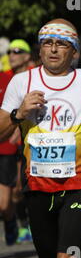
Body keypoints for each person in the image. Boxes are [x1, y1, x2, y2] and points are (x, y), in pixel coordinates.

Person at [0, 19, 81, 258]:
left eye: (62, 44)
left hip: (79, 185)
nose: (54, 49)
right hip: (37, 186)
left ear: (73, 51)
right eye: (48, 43)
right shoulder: (21, 83)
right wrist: (19, 113)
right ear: (40, 50)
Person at [0, 39, 32, 245]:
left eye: (17, 51)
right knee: (5, 200)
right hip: (6, 145)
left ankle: (25, 223)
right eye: (10, 51)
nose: (12, 55)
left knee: (19, 191)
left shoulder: (35, 78)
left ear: (27, 56)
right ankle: (11, 221)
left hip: (28, 143)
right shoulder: (3, 78)